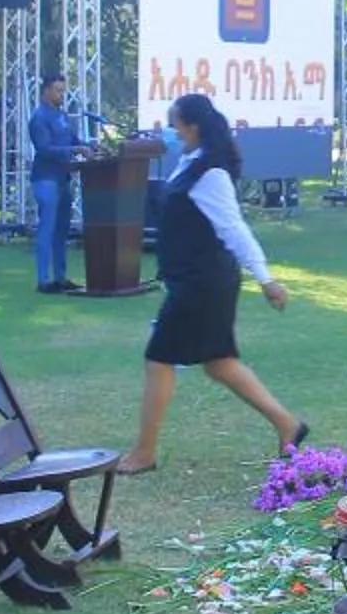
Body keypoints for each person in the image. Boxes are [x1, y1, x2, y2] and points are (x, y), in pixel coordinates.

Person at [117, 91, 308, 472]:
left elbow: (233, 229)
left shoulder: (211, 174)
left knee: (159, 359)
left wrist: (266, 279)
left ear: (192, 126)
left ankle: (144, 453)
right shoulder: (191, 162)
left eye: (175, 124)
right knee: (219, 363)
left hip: (202, 283)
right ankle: (289, 424)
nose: (171, 131)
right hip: (194, 279)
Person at [29, 71, 80, 294]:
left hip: (63, 178)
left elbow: (73, 141)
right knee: (47, 228)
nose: (62, 95)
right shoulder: (39, 118)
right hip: (45, 179)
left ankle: (60, 277)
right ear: (46, 91)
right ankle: (43, 279)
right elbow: (45, 149)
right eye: (58, 90)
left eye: (63, 90)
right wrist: (75, 150)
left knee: (62, 231)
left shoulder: (62, 116)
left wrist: (90, 147)